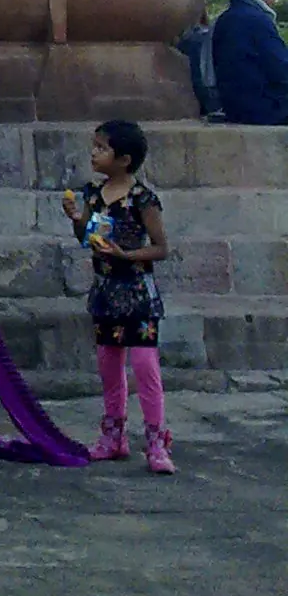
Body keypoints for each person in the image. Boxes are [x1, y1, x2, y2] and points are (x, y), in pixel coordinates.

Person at [63, 118, 171, 473]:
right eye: (94, 146)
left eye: (101, 148)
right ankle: (113, 435)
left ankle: (156, 441)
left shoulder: (143, 198)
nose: (94, 154)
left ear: (123, 159)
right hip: (106, 291)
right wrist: (77, 218)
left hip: (137, 292)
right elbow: (88, 237)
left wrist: (128, 256)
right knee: (110, 366)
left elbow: (159, 248)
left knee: (144, 365)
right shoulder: (94, 193)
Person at [211, 0, 288, 125]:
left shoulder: (225, 18)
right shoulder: (258, 20)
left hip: (232, 105)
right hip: (261, 107)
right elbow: (280, 67)